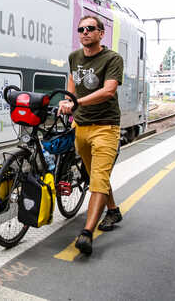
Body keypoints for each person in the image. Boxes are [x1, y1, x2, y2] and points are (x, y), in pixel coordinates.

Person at [58, 15, 124, 255]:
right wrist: (68, 98)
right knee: (95, 175)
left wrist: (76, 102)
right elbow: (73, 79)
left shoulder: (113, 58)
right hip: (81, 127)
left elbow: (108, 91)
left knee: (98, 178)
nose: (84, 32)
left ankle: (86, 233)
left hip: (105, 127)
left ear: (101, 33)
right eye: (81, 29)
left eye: (90, 29)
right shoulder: (74, 57)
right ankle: (113, 210)